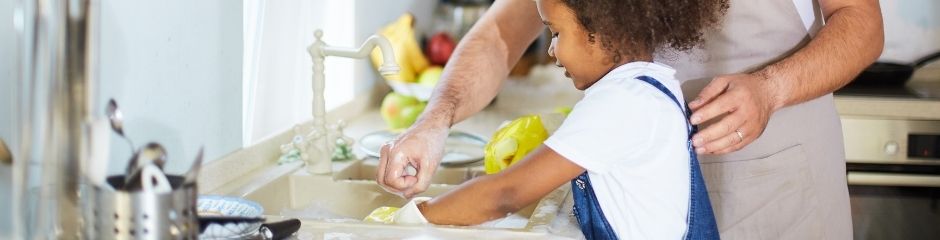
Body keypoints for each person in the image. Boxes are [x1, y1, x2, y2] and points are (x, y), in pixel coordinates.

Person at [378, 0, 883, 238]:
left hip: (777, 183)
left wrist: (772, 89)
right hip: (638, 177)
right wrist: (433, 121)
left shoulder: (624, 106)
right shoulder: (620, 106)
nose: (553, 49)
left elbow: (862, 26)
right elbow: (500, 33)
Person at [380, 0, 727, 238]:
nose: (550, 51)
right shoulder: (649, 87)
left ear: (600, 31)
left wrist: (410, 219)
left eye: (556, 33)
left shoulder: (621, 103)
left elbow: (505, 194)